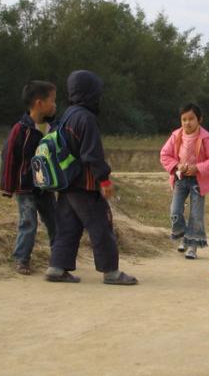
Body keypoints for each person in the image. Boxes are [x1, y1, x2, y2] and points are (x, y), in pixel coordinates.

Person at [45, 70, 137, 285]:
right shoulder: (86, 118)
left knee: (67, 227)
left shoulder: (67, 115)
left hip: (67, 183)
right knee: (101, 225)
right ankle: (111, 272)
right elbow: (92, 154)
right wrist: (104, 180)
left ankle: (56, 268)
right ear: (89, 93)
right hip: (85, 186)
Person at [0, 81, 58, 275]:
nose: (55, 105)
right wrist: (8, 187)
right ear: (39, 103)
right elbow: (9, 157)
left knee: (55, 222)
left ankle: (59, 258)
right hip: (25, 187)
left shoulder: (53, 128)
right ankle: (22, 259)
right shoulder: (21, 129)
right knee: (28, 223)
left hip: (47, 186)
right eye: (52, 100)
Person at [160, 103, 209, 260]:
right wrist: (177, 165)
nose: (187, 123)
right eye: (184, 119)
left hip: (198, 181)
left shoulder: (206, 138)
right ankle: (183, 237)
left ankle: (192, 246)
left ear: (199, 120)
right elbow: (165, 154)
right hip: (180, 179)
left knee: (196, 215)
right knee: (175, 211)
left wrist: (198, 168)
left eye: (191, 119)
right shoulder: (176, 136)